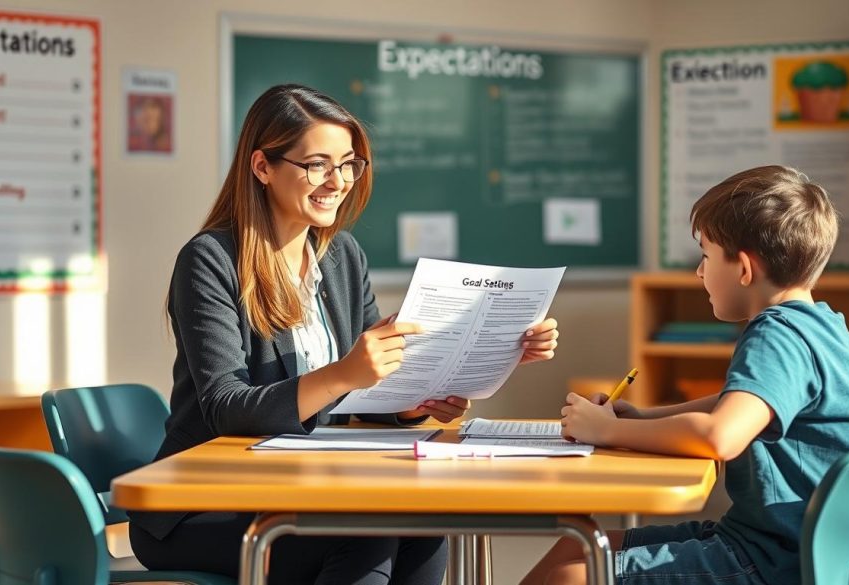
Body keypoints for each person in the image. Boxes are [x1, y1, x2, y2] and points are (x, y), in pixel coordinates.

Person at [128, 84, 561, 583]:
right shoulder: (210, 259)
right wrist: (344, 374)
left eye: (349, 164)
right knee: (363, 534)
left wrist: (413, 403)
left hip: (300, 484)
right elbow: (227, 408)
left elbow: (359, 398)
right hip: (202, 505)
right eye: (317, 164)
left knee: (424, 523)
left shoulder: (341, 257)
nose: (337, 181)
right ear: (262, 167)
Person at [522, 165, 849, 585]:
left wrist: (606, 433)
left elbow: (721, 435)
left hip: (781, 561)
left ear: (744, 268)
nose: (699, 272)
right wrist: (643, 418)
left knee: (574, 575)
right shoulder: (822, 324)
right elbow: (738, 406)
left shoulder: (777, 333)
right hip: (791, 545)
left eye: (706, 255)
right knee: (579, 545)